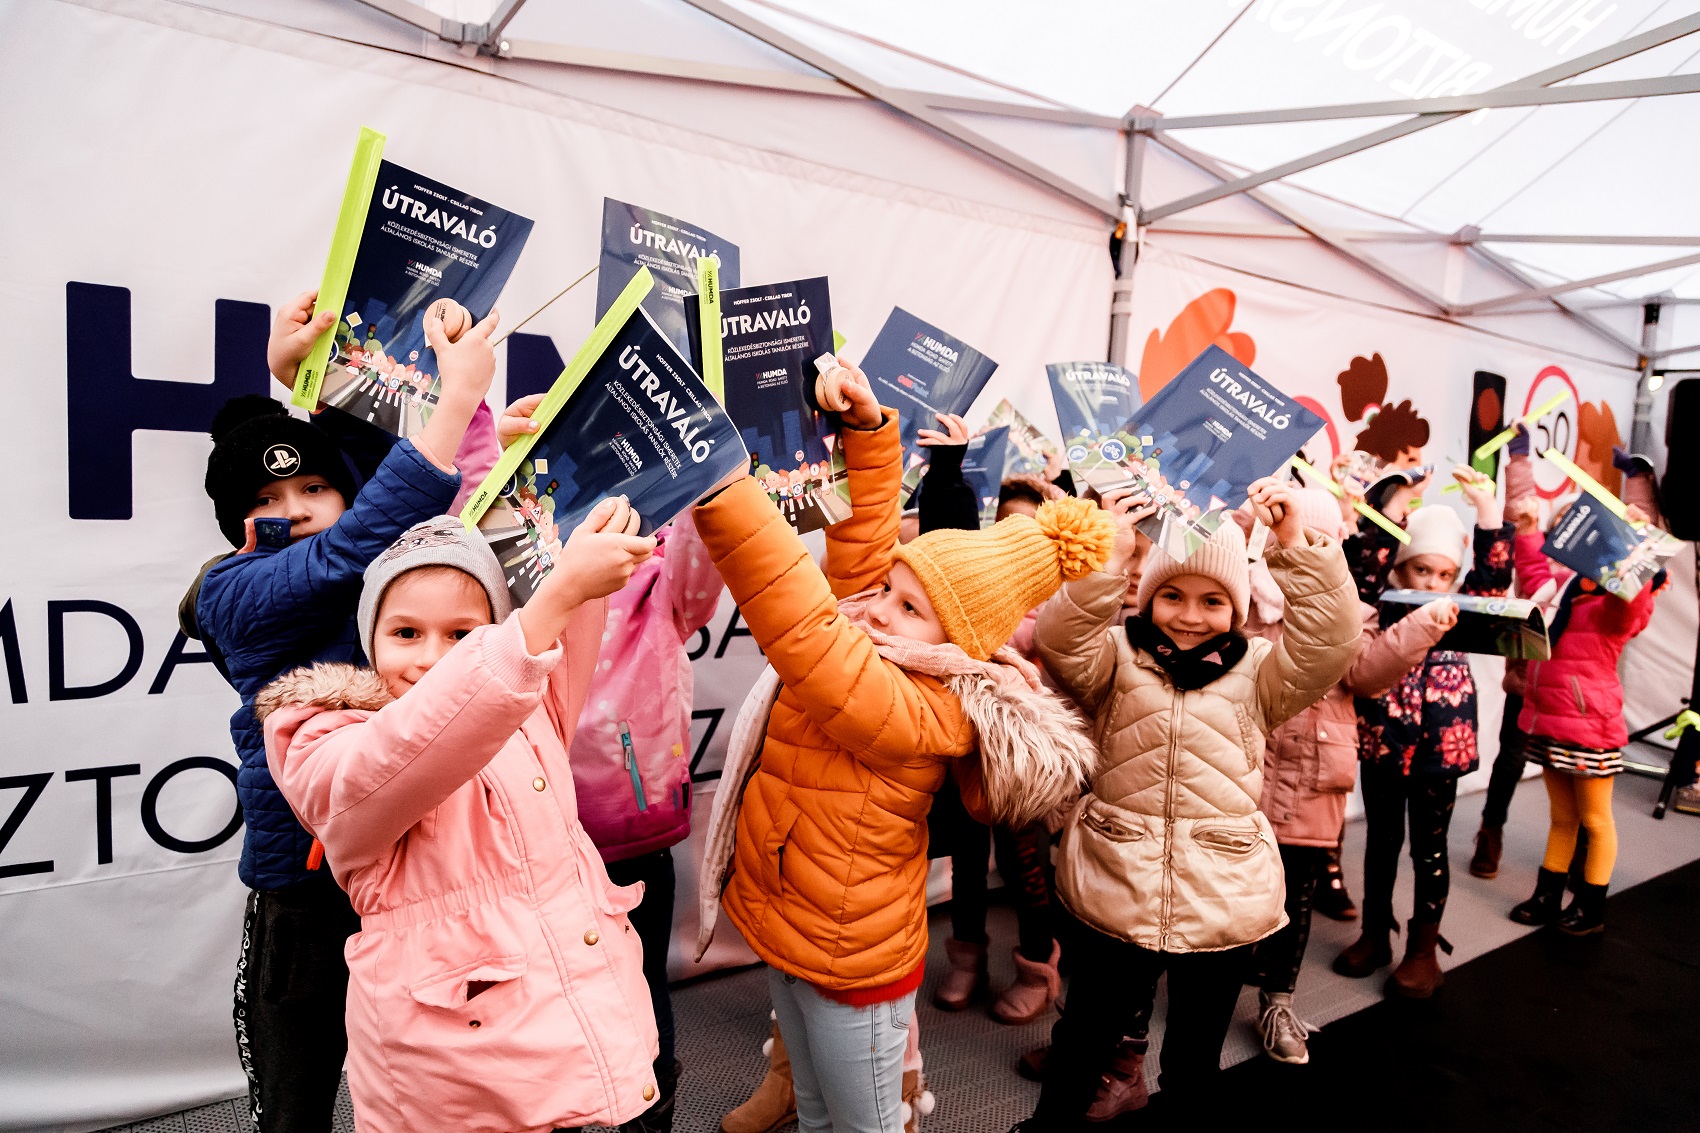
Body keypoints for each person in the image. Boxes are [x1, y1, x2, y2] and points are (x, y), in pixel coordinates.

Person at [692, 361, 1104, 1133]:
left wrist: (723, 483)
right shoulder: (889, 641)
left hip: (850, 960)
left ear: (963, 644)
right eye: (889, 590)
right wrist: (867, 432)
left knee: (863, 1126)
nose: (877, 611)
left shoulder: (918, 705)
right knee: (815, 1111)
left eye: (908, 606)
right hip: (795, 921)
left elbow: (805, 627)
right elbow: (861, 550)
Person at [193, 300, 499, 1131]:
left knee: (412, 1085)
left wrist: (308, 377)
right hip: (303, 884)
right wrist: (454, 407)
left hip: (402, 872)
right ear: (235, 521)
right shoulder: (231, 592)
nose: (294, 505)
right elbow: (345, 550)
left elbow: (370, 462)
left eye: (314, 486)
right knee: (294, 1098)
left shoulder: (368, 557)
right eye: (268, 494)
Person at [257, 505, 660, 1132]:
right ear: (370, 641)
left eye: (462, 634)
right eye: (406, 633)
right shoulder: (321, 738)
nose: (433, 657)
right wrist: (551, 601)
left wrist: (522, 480)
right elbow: (409, 749)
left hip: (571, 1043)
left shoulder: (530, 709)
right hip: (457, 1081)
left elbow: (568, 610)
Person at [1019, 480, 1361, 1128]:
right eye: (1171, 594)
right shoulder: (1116, 657)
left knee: (1194, 1063)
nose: (1189, 614)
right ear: (1147, 593)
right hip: (1117, 887)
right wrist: (1108, 557)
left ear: (1235, 607)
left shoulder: (1261, 672)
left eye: (1212, 600)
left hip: (1221, 896)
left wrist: (1298, 550)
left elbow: (1330, 643)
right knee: (1083, 1042)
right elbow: (1061, 640)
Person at [479, 389, 728, 1133]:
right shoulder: (510, 575)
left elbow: (702, 543)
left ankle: (651, 1122)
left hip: (630, 835)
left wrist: (702, 465)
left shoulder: (657, 576)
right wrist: (493, 450)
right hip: (527, 839)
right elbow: (459, 546)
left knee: (642, 992)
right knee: (532, 1010)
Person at [1246, 487, 1460, 1063]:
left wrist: (1417, 630)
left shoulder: (1354, 613)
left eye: (1323, 541)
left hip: (1314, 774)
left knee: (1296, 896)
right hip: (1245, 772)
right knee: (1235, 886)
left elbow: (1366, 676)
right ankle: (1227, 979)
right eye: (1295, 539)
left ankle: (1278, 998)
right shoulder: (1247, 605)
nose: (1308, 551)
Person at [1332, 467, 1512, 998]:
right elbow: (1365, 568)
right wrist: (1392, 515)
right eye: (1420, 571)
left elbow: (1496, 582)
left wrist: (1488, 512)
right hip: (1383, 739)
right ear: (1402, 568)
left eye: (1441, 574)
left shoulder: (1464, 607)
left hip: (1442, 747)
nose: (1431, 584)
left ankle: (1422, 950)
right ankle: (1374, 933)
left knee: (1429, 849)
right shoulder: (1381, 601)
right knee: (1381, 843)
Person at [1506, 496, 1664, 935]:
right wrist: (1529, 530)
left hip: (1590, 727)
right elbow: (1537, 572)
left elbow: (1632, 600)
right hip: (1550, 720)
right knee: (1562, 818)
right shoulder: (1562, 589)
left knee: (1596, 821)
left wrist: (1635, 547)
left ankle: (1591, 903)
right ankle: (1547, 894)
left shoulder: (1614, 604)